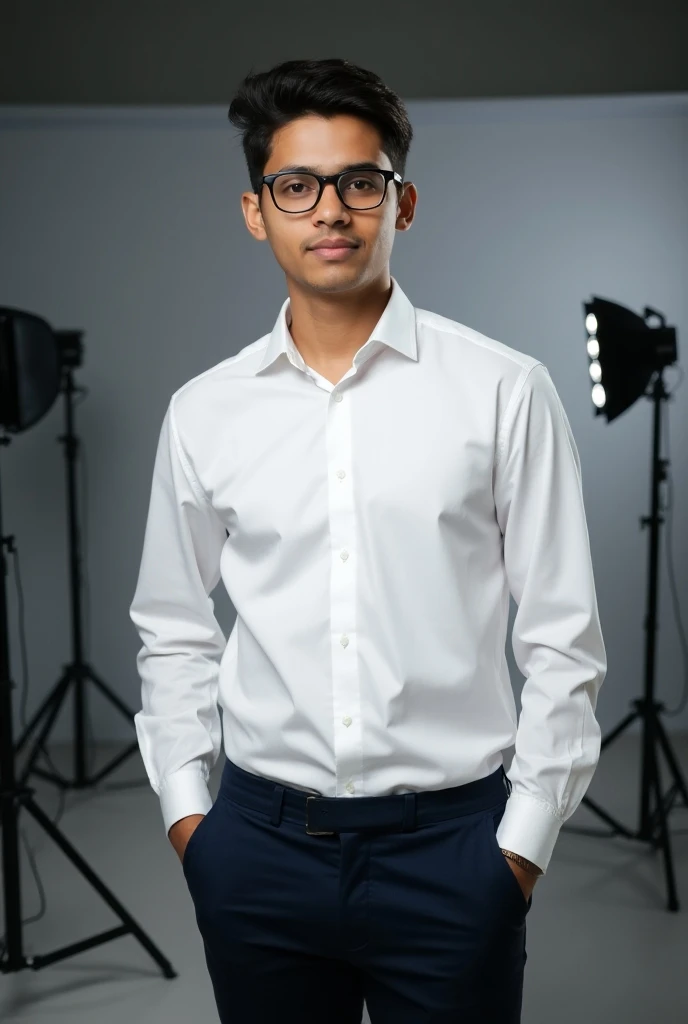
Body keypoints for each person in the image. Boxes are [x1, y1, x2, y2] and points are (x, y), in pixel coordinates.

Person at [129, 57, 607, 1024]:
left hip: (453, 850)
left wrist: (518, 849)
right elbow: (173, 627)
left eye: (360, 181)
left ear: (404, 201)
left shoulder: (505, 390)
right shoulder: (204, 412)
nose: (331, 211)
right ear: (258, 211)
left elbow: (561, 635)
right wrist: (192, 822)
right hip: (257, 852)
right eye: (296, 186)